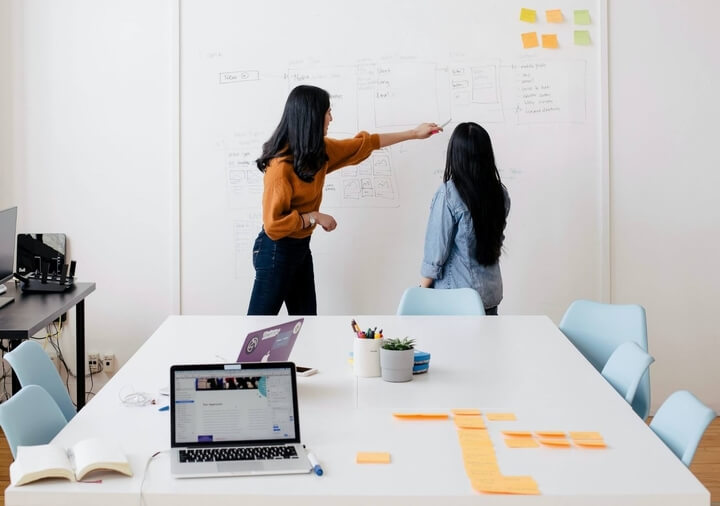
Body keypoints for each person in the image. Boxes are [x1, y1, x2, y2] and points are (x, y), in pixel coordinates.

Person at [248, 84, 439, 315]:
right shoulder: (280, 167)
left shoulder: (318, 152)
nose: (331, 118)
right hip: (275, 249)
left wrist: (414, 134)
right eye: (327, 112)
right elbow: (273, 226)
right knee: (259, 329)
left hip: (300, 247)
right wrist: (313, 217)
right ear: (311, 117)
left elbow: (365, 144)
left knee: (307, 324)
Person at [419, 122, 510, 315]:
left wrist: (420, 293)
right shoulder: (499, 193)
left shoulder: (449, 194)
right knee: (485, 345)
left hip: (455, 298)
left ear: (455, 154)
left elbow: (435, 255)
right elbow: (496, 241)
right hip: (490, 295)